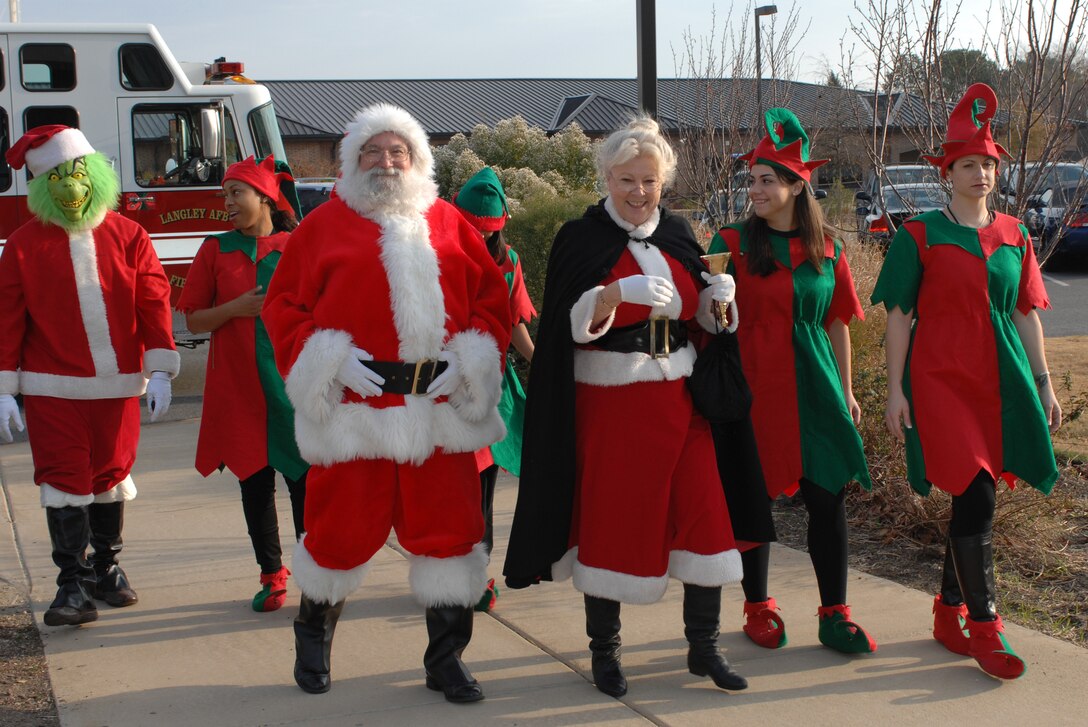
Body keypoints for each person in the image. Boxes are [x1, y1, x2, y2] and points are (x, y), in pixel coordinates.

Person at [261, 104, 511, 702]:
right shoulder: (322, 229)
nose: (386, 161)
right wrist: (328, 357)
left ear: (418, 160)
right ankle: (313, 636)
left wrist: (468, 359)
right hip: (357, 415)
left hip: (439, 415)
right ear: (351, 162)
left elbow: (491, 305)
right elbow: (283, 309)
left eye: (398, 151)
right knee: (336, 535)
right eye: (372, 151)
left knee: (451, 537)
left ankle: (446, 659)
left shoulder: (451, 224)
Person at [504, 116, 756, 698]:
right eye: (626, 180)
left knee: (705, 521)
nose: (638, 192)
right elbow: (571, 326)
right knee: (613, 525)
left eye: (648, 180)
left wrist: (719, 304)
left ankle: (704, 648)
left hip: (680, 399)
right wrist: (616, 295)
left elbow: (698, 321)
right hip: (613, 406)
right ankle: (606, 654)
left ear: (663, 180)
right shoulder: (580, 237)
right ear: (607, 178)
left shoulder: (678, 233)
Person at [872, 83, 1062, 680]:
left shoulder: (1015, 234)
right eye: (968, 164)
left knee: (974, 495)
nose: (980, 173)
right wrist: (895, 388)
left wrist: (1044, 381)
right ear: (947, 171)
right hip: (941, 378)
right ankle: (986, 627)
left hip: (1000, 378)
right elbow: (899, 316)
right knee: (975, 489)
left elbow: (1026, 311)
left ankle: (947, 610)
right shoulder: (919, 236)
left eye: (987, 164)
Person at [707, 108, 876, 655]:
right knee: (752, 500)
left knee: (828, 498)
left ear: (797, 186)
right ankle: (757, 605)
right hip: (753, 389)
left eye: (766, 180)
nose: (754, 189)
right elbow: (706, 319)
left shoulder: (831, 248)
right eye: (751, 179)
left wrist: (847, 390)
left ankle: (834, 614)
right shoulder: (730, 242)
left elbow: (837, 324)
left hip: (816, 387)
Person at [0, 125, 179, 626]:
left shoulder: (130, 235)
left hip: (119, 386)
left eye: (78, 173)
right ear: (41, 187)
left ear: (96, 175)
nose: (71, 187)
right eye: (57, 177)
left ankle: (107, 567)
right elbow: (7, 317)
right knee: (63, 480)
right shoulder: (22, 244)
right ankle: (71, 582)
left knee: (110, 476)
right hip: (51, 387)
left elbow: (153, 301)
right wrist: (4, 389)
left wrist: (160, 369)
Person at [176, 155, 309, 613]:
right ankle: (272, 576)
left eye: (236, 193)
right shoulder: (214, 249)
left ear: (265, 197)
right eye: (225, 194)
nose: (227, 203)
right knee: (254, 486)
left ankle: (316, 576)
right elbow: (192, 319)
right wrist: (235, 308)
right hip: (238, 391)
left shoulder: (299, 247)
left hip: (292, 390)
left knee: (305, 484)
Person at [450, 166, 536, 613]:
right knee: (450, 487)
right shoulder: (436, 255)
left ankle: (479, 575)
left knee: (483, 483)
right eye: (473, 231)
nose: (481, 240)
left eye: (489, 233)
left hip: (493, 386)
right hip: (445, 386)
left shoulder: (510, 262)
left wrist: (540, 362)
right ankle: (450, 569)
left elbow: (516, 321)